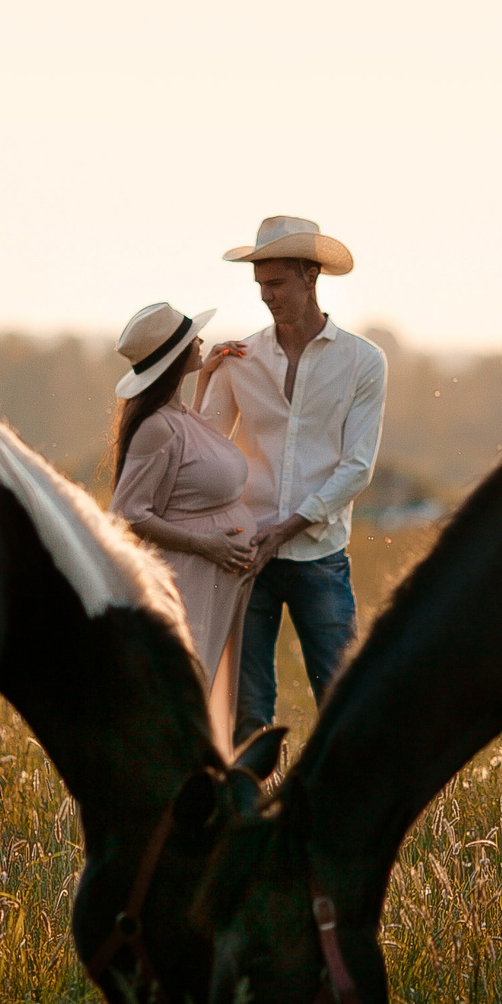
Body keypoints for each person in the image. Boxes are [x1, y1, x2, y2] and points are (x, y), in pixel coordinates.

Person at [200, 216, 388, 764]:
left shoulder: (362, 361)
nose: (266, 297)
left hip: (319, 557)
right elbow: (205, 450)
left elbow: (357, 468)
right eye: (260, 285)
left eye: (277, 284)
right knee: (249, 713)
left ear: (310, 276)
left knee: (342, 703)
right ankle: (249, 827)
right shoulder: (240, 358)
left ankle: (342, 823)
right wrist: (205, 376)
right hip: (246, 558)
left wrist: (282, 528)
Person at [107, 301, 256, 749]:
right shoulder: (156, 427)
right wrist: (204, 545)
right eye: (193, 340)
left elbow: (198, 453)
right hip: (191, 578)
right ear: (174, 358)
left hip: (215, 580)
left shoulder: (178, 416)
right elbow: (128, 513)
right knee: (185, 698)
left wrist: (206, 376)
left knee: (204, 697)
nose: (202, 341)